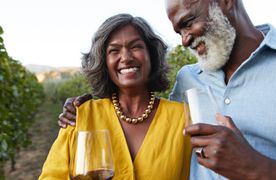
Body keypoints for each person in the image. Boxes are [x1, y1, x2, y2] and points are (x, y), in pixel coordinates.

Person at [59, 0, 276, 179]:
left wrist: (259, 169)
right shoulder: (188, 79)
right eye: (178, 31)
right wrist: (81, 110)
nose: (184, 40)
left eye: (189, 22)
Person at [39, 13, 192, 179]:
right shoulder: (80, 116)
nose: (126, 57)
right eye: (114, 50)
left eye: (135, 47)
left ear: (152, 55)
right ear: (104, 62)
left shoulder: (184, 119)